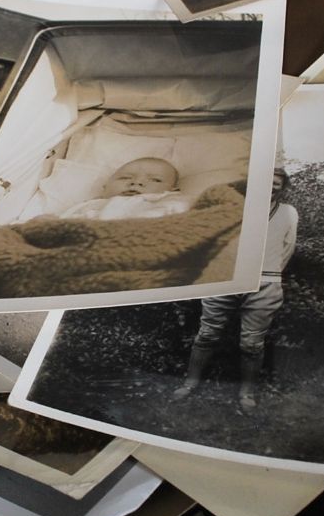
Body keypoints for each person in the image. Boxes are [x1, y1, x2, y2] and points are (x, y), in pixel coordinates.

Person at [176, 167, 298, 411]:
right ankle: (190, 383)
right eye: (267, 181)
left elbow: (288, 247)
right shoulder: (235, 206)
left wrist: (268, 275)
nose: (271, 186)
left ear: (282, 188)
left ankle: (247, 393)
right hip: (226, 279)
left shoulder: (288, 212)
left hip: (266, 284)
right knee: (207, 334)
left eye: (277, 183)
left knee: (252, 343)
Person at [53, 157, 191, 222]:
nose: (136, 182)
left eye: (155, 180)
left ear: (174, 190)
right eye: (124, 178)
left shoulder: (170, 201)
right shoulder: (90, 205)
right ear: (105, 188)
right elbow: (64, 223)